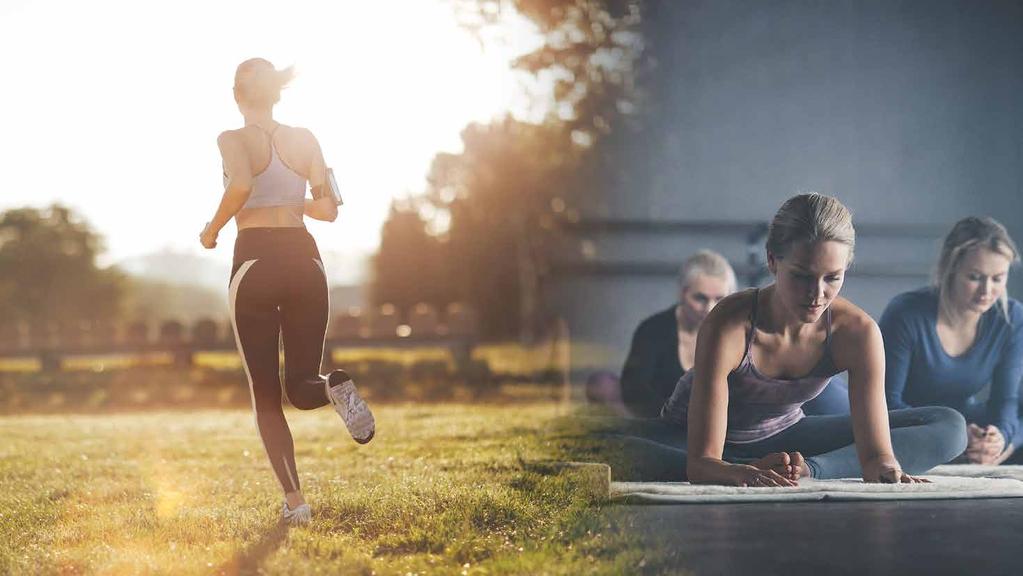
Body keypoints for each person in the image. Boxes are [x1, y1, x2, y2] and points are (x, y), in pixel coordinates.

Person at [642, 193, 965, 486]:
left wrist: (885, 467)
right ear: (772, 261)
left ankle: (808, 469)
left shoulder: (857, 332)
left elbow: (876, 456)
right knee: (595, 444)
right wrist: (734, 472)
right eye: (801, 276)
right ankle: (748, 465)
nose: (817, 294)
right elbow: (701, 465)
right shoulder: (729, 322)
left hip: (783, 434)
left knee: (949, 425)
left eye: (832, 278)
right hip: (685, 438)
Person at [199, 58, 375, 525]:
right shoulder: (305, 139)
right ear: (277, 94)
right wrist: (290, 199)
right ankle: (336, 390)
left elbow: (240, 184)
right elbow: (328, 209)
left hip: (255, 259)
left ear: (237, 95)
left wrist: (212, 229)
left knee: (266, 392)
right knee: (303, 385)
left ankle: (296, 504)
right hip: (306, 260)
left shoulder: (232, 139)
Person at [880, 216, 1023, 465]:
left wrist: (998, 436)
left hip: (965, 418)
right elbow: (887, 402)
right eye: (975, 277)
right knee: (951, 432)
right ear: (951, 269)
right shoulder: (905, 312)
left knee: (1010, 423)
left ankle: (986, 451)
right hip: (907, 423)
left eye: (997, 279)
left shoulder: (1011, 318)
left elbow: (1006, 401)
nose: (986, 291)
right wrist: (955, 432)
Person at [620, 250, 736, 417]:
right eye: (700, 298)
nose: (710, 308)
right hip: (659, 427)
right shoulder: (652, 330)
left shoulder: (736, 336)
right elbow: (634, 390)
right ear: (682, 293)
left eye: (719, 299)